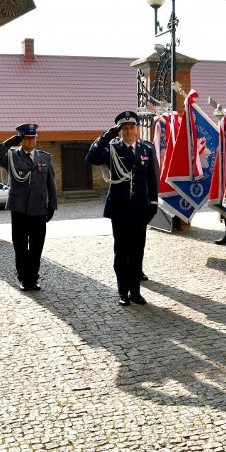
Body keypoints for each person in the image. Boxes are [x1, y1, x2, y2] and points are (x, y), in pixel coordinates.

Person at [86, 111, 159, 306]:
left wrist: (153, 204)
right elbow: (91, 157)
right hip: (119, 209)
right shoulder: (112, 149)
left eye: (131, 127)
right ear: (120, 132)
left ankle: (135, 292)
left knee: (137, 252)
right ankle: (122, 292)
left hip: (139, 209)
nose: (128, 131)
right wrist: (107, 136)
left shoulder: (146, 149)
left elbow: (153, 179)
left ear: (136, 130)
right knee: (121, 252)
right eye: (124, 128)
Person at [0, 123, 58, 292]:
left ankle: (33, 278)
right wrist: (8, 143)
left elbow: (51, 183)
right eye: (27, 138)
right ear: (21, 139)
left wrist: (52, 205)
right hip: (19, 209)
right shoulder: (12, 157)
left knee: (36, 247)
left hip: (39, 209)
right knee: (20, 247)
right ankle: (23, 278)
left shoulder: (44, 158)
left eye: (33, 137)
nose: (31, 141)